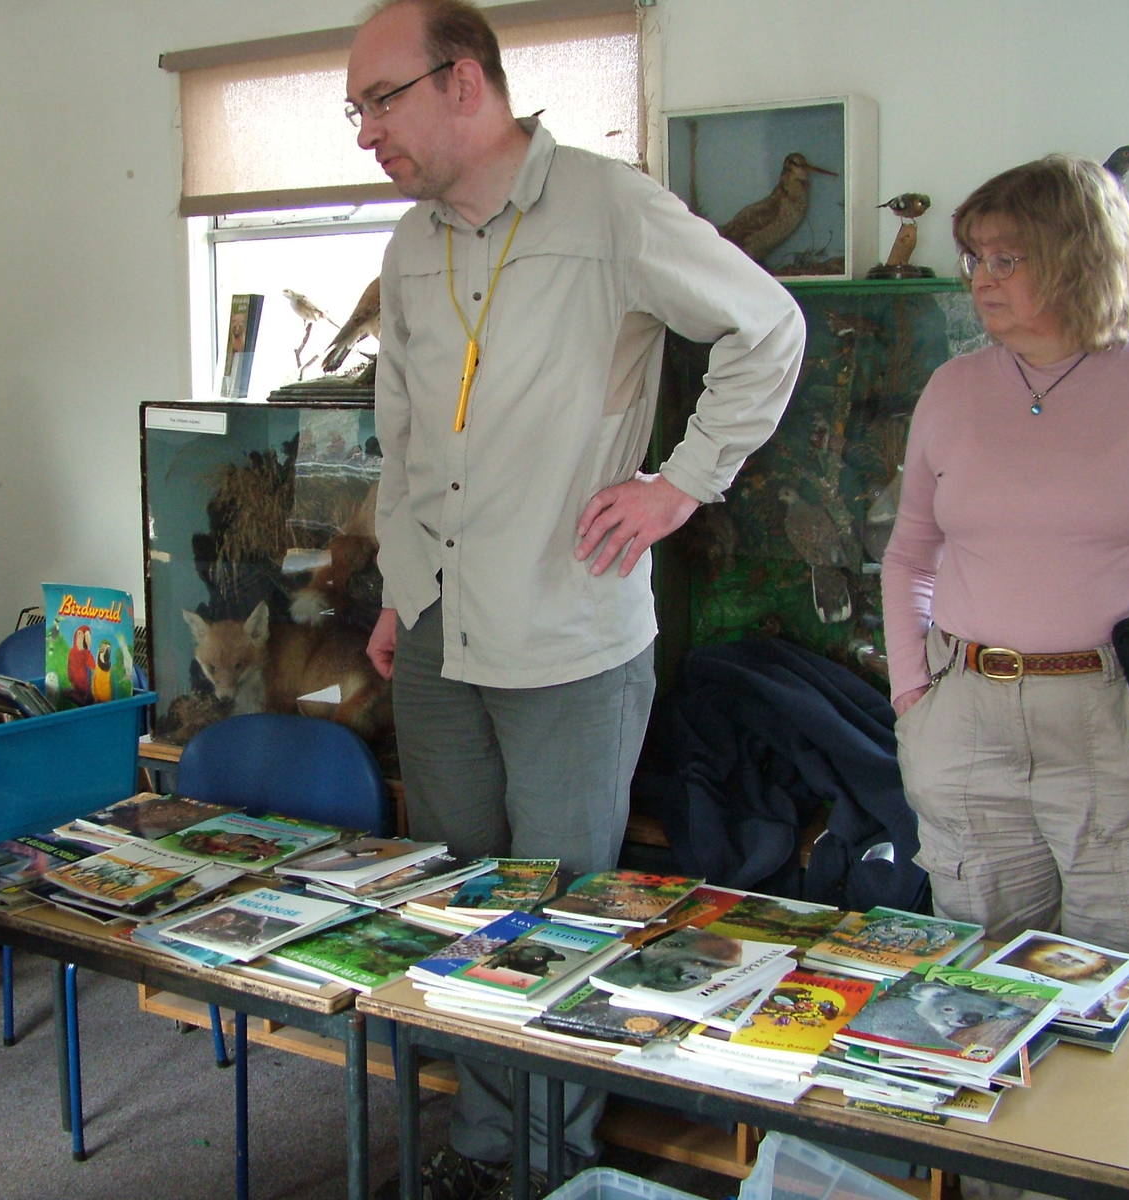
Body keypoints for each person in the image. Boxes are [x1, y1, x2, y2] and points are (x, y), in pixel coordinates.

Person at [346, 3, 805, 1195]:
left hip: (570, 626)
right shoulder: (409, 246)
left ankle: (547, 1165)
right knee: (464, 909)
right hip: (440, 627)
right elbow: (399, 437)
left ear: (462, 84)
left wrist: (681, 485)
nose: (365, 134)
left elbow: (767, 326)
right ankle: (490, 1145)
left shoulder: (610, 207)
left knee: (556, 922)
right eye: (356, 110)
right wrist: (401, 589)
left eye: (378, 102)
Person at [883, 153, 1129, 980]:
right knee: (979, 991)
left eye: (1008, 257)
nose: (981, 278)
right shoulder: (952, 388)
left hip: (1121, 725)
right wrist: (914, 700)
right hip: (967, 720)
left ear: (1079, 256)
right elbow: (909, 555)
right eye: (975, 256)